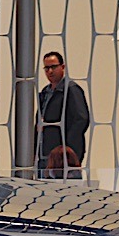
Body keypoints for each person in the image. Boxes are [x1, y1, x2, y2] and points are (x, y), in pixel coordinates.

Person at [36, 50, 89, 178]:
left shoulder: (71, 90)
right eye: (46, 68)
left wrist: (66, 148)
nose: (50, 71)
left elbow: (81, 119)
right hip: (44, 155)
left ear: (63, 67)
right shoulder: (45, 92)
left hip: (62, 158)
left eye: (53, 67)